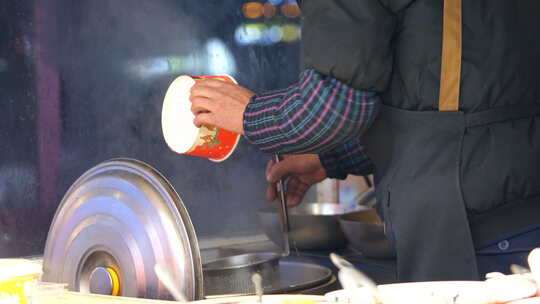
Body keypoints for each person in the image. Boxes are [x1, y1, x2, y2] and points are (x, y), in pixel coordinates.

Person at [189, 0, 540, 282]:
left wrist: (250, 113)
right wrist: (334, 158)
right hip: (518, 203)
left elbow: (337, 106)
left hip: (463, 226)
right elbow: (450, 96)